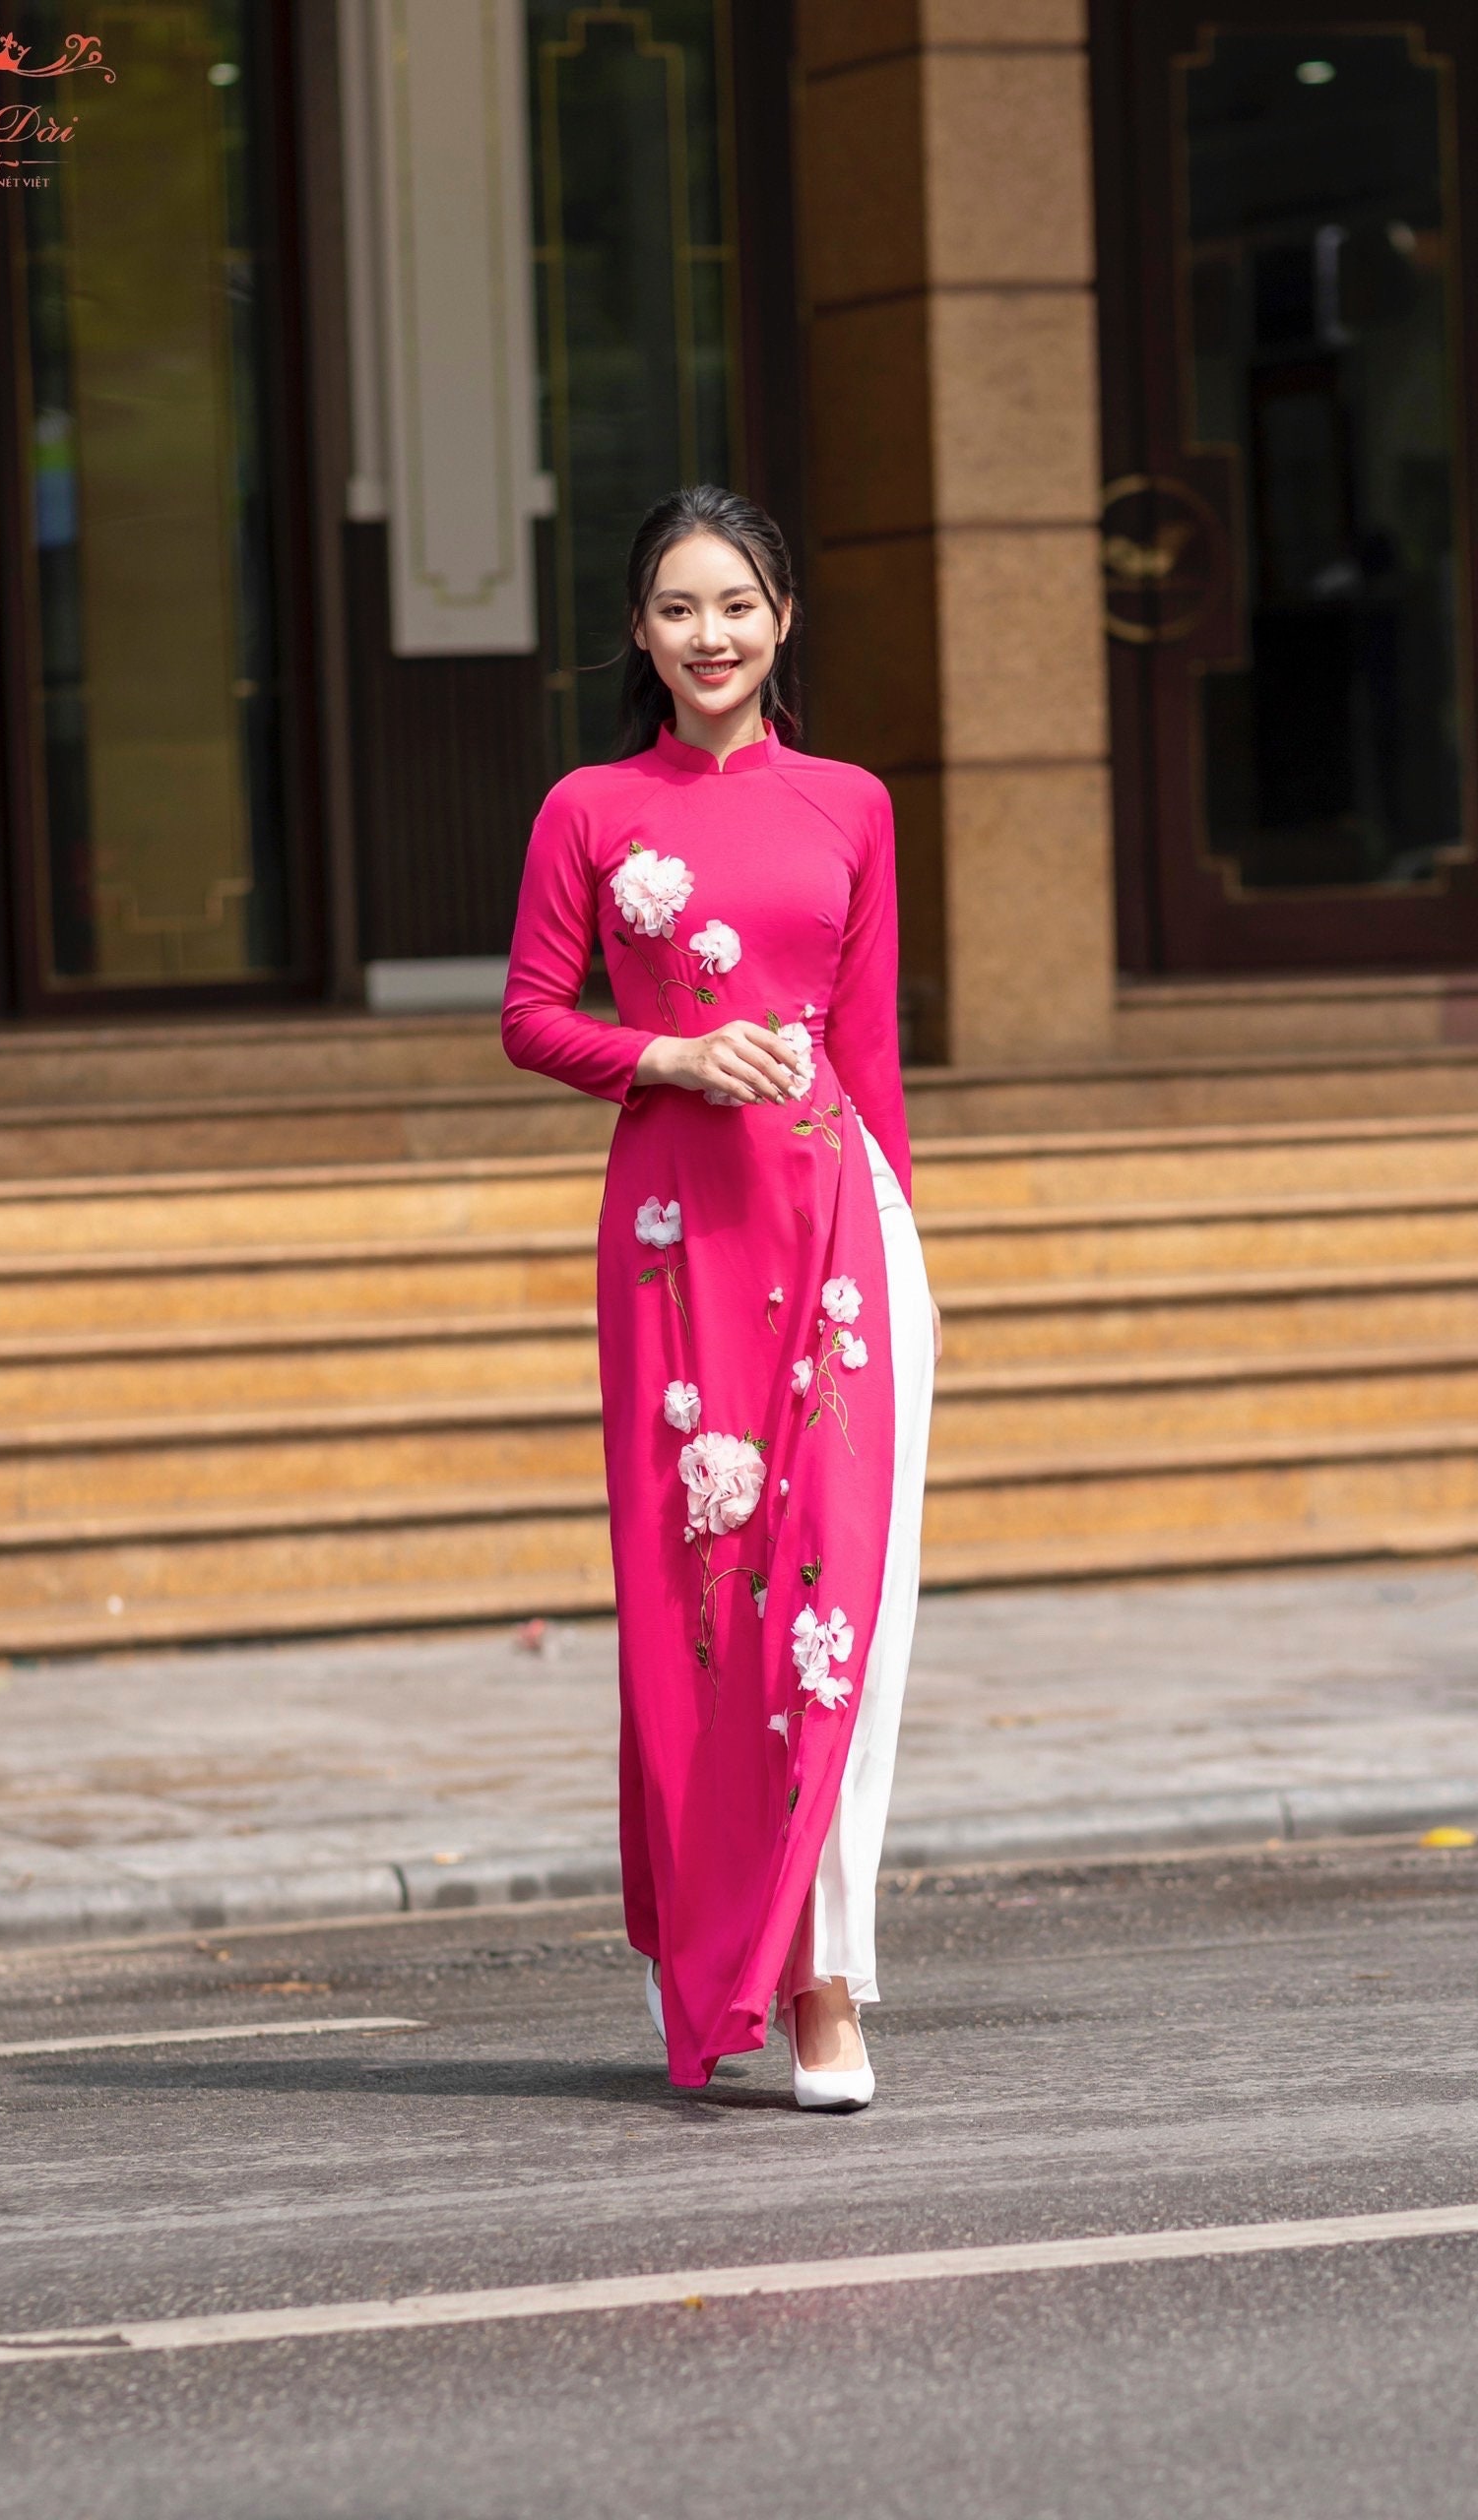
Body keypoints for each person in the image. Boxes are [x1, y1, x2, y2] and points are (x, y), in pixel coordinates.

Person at [501, 485, 937, 2108]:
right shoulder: (589, 811)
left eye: (738, 604)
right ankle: (717, 1969)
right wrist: (669, 1053)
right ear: (640, 630)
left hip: (839, 1238)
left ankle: (827, 1985)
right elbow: (533, 1015)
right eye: (679, 608)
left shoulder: (853, 804)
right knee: (699, 1619)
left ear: (784, 618)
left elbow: (873, 1043)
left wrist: (902, 1247)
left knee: (838, 1626)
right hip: (680, 1248)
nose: (711, 635)